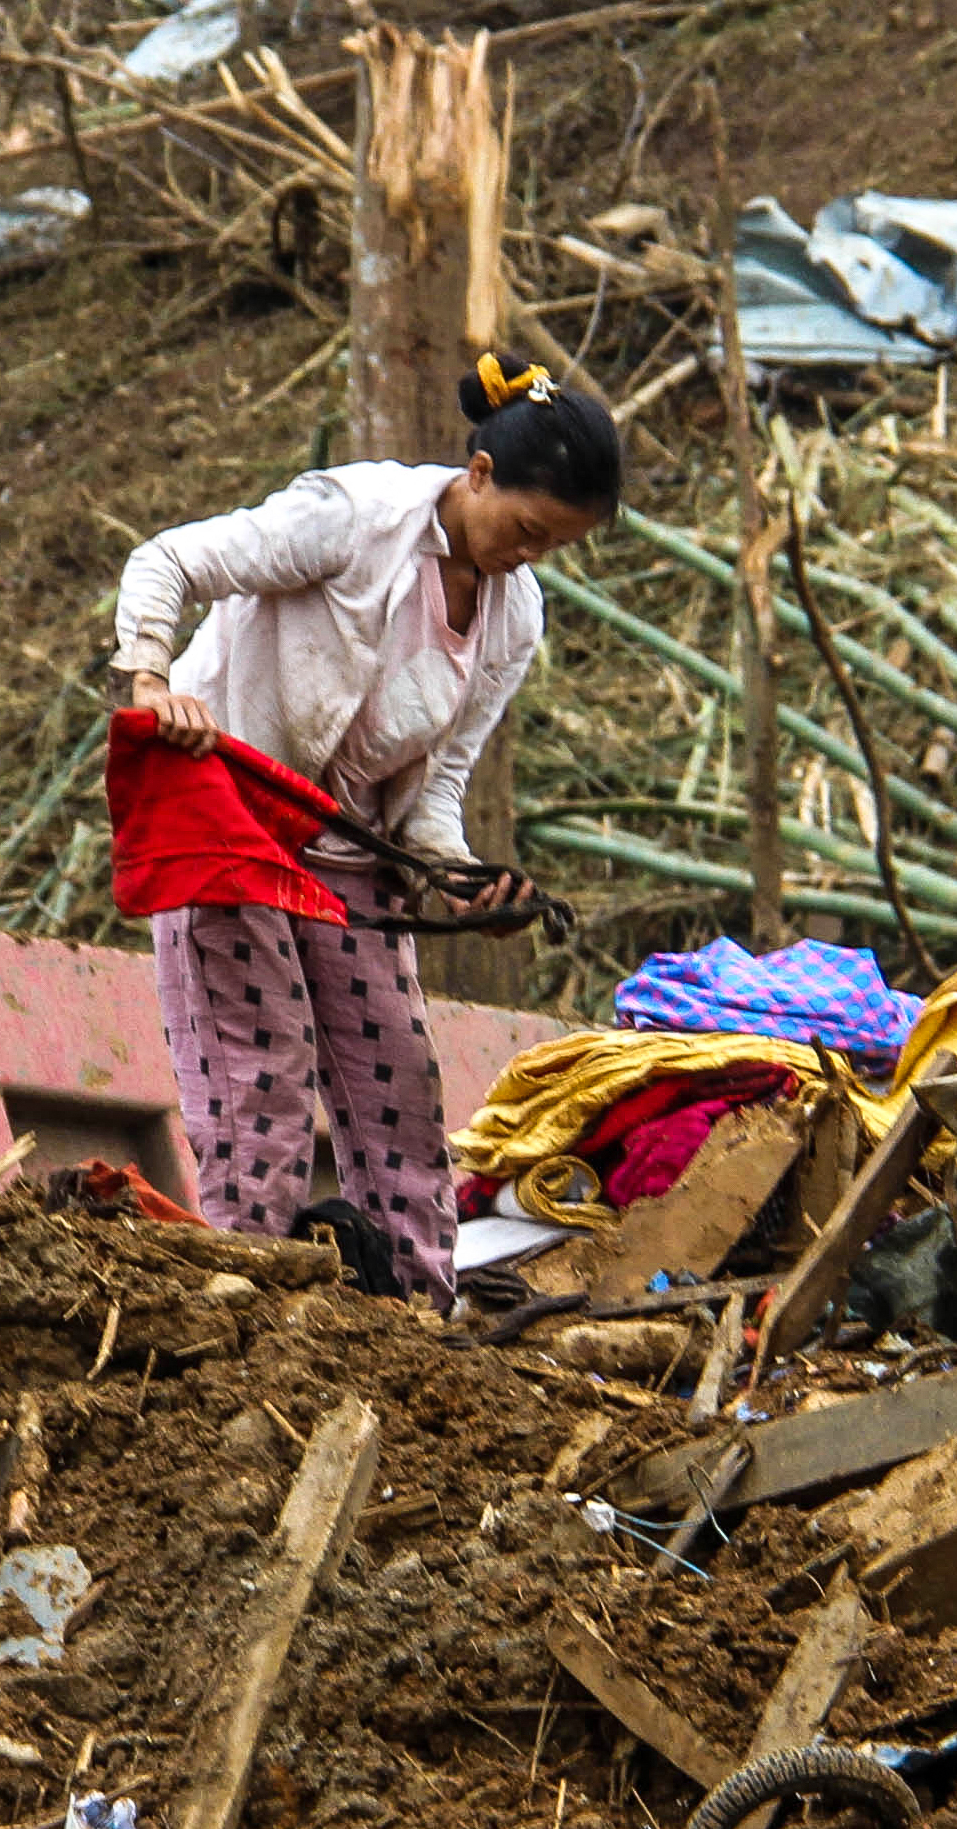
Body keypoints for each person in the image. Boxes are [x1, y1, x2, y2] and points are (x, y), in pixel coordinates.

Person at [110, 356, 625, 1293]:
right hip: (227, 814)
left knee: (400, 1088)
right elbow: (169, 560)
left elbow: (434, 788)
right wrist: (154, 685)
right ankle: (245, 1297)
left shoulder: (515, 616)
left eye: (553, 544)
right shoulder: (352, 517)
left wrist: (461, 878)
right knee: (258, 1079)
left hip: (349, 853)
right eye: (525, 526)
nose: (529, 554)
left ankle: (421, 1317)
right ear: (477, 476)